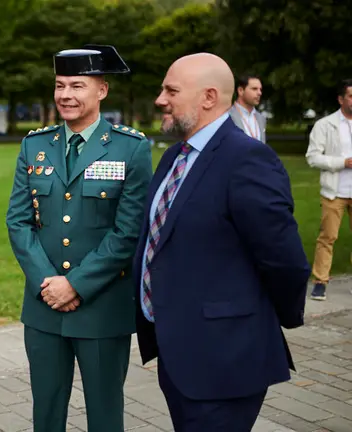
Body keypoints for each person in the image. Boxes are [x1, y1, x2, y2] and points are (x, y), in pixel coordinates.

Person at [134, 53, 309, 431]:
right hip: (179, 356)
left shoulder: (247, 159)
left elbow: (286, 261)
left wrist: (258, 321)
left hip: (226, 360)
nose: (159, 99)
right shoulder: (173, 157)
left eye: (170, 90)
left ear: (208, 97)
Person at [5, 45, 153, 432]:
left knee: (105, 416)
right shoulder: (34, 145)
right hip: (43, 307)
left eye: (77, 86)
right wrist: (47, 284)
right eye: (59, 85)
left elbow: (128, 232)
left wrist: (75, 285)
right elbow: (18, 223)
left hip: (102, 308)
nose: (65, 95)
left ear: (102, 90)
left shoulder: (131, 148)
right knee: (46, 415)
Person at [306, 78, 352, 301]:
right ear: (341, 99)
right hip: (335, 192)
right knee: (328, 237)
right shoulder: (325, 125)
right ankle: (320, 282)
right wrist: (342, 162)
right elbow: (312, 158)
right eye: (351, 96)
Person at [229, 73, 267, 143]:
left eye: (260, 89)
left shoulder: (261, 118)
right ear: (240, 90)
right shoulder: (227, 116)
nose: (259, 93)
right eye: (254, 89)